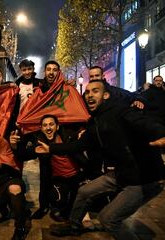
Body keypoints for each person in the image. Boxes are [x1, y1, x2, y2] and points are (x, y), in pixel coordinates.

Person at [38, 80, 165, 239]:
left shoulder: (121, 111)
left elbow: (145, 123)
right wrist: (51, 148)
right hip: (122, 173)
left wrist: (161, 133)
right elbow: (79, 145)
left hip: (145, 178)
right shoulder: (93, 122)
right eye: (87, 92)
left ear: (105, 95)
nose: (89, 95)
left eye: (95, 91)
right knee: (84, 191)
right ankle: (74, 226)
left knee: (108, 219)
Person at [10, 115, 86, 221]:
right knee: (57, 199)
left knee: (77, 203)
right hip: (59, 179)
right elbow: (23, 156)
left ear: (57, 127)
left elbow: (83, 143)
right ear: (41, 128)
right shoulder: (40, 141)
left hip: (78, 176)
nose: (48, 128)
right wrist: (14, 146)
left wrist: (84, 134)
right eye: (45, 125)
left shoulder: (68, 135)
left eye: (51, 124)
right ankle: (51, 206)